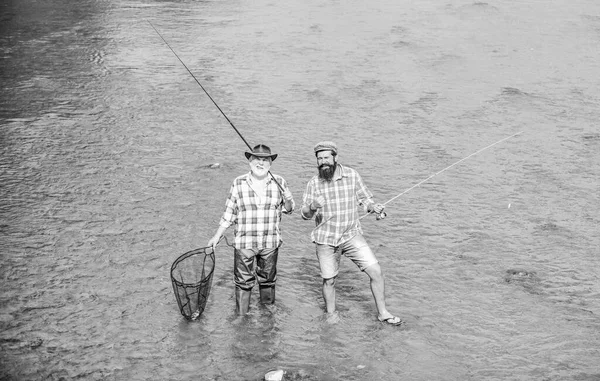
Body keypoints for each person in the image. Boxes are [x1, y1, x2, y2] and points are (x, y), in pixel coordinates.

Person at [300, 141, 404, 325]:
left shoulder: (352, 175)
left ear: (335, 157)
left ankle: (383, 313)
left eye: (326, 158)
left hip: (351, 235)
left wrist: (374, 207)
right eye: (319, 159)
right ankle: (331, 314)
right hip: (326, 239)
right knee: (329, 281)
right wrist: (312, 206)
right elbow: (305, 215)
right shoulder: (313, 183)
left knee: (376, 272)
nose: (323, 162)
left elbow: (365, 200)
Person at [208, 144, 294, 316]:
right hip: (244, 242)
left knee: (268, 281)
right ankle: (241, 318)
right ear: (250, 161)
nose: (260, 163)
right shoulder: (238, 182)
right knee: (243, 282)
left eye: (265, 160)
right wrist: (216, 237)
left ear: (270, 163)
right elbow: (229, 213)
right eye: (257, 159)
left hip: (270, 242)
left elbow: (289, 209)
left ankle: (267, 315)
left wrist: (289, 199)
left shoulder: (280, 181)